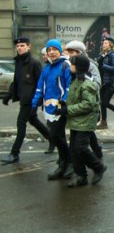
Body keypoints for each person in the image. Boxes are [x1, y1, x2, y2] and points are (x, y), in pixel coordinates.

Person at [1, 37, 50, 164]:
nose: (19, 48)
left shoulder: (34, 63)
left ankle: (14, 153)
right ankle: (54, 140)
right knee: (34, 121)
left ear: (28, 47)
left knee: (20, 123)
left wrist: (40, 100)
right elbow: (16, 82)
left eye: (22, 45)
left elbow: (41, 83)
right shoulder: (18, 62)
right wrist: (9, 95)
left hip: (31, 100)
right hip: (24, 99)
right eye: (18, 46)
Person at [61, 55, 106, 187]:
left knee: (80, 148)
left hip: (85, 122)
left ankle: (98, 167)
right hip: (76, 120)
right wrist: (63, 105)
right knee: (73, 150)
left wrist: (67, 110)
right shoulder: (76, 81)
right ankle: (81, 176)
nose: (70, 67)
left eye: (72, 64)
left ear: (78, 67)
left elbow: (89, 104)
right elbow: (75, 99)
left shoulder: (86, 83)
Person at [32, 39, 73, 180]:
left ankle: (67, 163)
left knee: (56, 136)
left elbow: (69, 87)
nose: (51, 52)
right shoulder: (46, 68)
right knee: (58, 136)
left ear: (59, 51)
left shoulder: (65, 65)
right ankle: (64, 164)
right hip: (48, 110)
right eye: (49, 50)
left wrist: (62, 105)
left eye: (54, 49)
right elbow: (39, 88)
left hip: (60, 109)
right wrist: (34, 104)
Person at [64, 41, 103, 159]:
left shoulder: (90, 65)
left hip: (86, 103)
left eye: (72, 52)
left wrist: (84, 80)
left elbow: (97, 84)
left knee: (85, 131)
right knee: (86, 131)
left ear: (79, 52)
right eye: (68, 52)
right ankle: (96, 151)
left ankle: (94, 161)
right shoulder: (69, 64)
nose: (70, 55)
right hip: (75, 104)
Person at [96, 36, 114, 129]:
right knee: (101, 103)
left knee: (105, 103)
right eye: (103, 43)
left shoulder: (113, 55)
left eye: (106, 43)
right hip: (102, 82)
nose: (103, 45)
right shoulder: (101, 55)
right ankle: (104, 122)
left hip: (110, 83)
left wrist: (104, 67)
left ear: (110, 45)